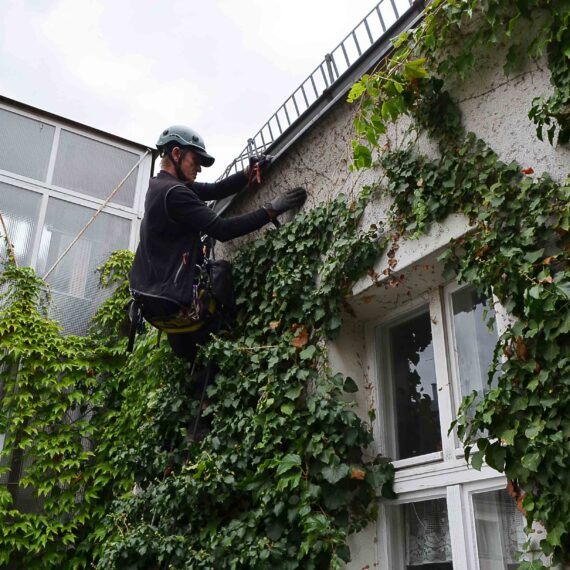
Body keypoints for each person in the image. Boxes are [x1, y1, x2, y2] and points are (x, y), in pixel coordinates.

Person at [128, 125, 306, 361]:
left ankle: (198, 373)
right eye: (196, 160)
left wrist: (246, 174)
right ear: (177, 153)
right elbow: (222, 230)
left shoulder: (159, 186)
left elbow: (214, 190)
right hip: (180, 301)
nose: (199, 168)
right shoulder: (176, 194)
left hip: (160, 303)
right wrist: (271, 210)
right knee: (221, 273)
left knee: (194, 363)